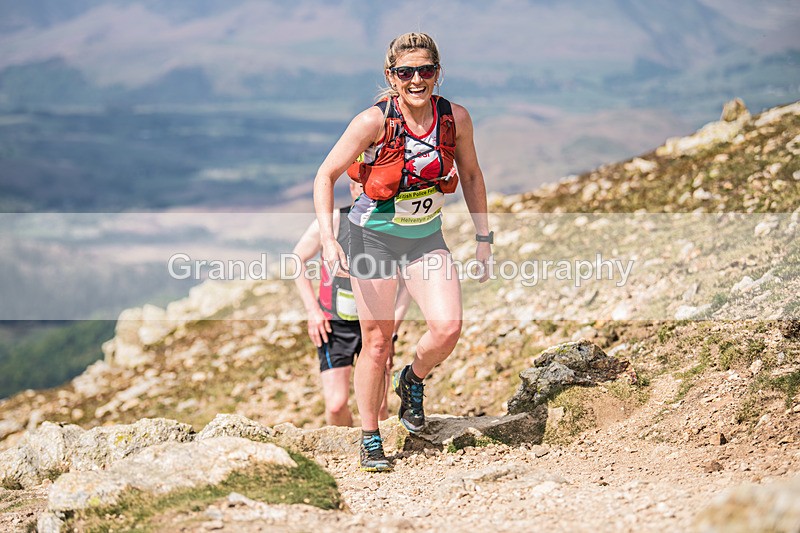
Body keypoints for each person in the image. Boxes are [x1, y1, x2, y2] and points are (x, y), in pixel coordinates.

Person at [313, 32, 492, 472]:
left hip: (424, 237)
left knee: (448, 327)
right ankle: (370, 436)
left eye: (425, 71)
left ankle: (411, 380)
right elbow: (325, 175)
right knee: (376, 340)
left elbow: (470, 175)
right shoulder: (372, 122)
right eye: (406, 72)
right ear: (391, 76)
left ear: (438, 73)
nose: (416, 80)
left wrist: (484, 238)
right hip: (370, 238)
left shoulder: (455, 118)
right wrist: (329, 238)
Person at [293, 180, 410, 427]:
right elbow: (296, 260)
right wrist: (312, 311)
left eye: (369, 186)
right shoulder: (335, 221)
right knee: (336, 405)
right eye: (359, 186)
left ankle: (378, 450)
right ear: (351, 188)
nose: (363, 191)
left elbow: (408, 283)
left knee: (379, 407)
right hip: (334, 325)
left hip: (377, 324)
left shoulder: (393, 223)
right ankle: (343, 453)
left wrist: (393, 328)